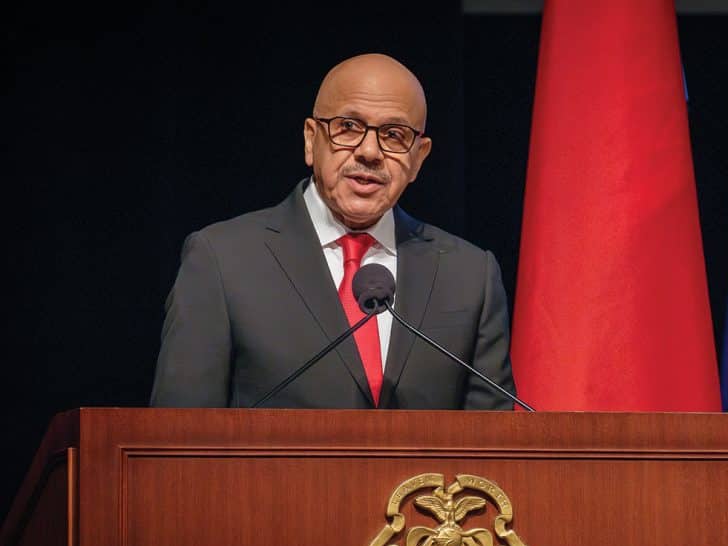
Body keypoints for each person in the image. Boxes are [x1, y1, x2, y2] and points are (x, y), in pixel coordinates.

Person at [150, 54, 516, 409]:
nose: (370, 152)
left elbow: (494, 452)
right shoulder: (222, 260)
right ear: (311, 140)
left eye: (393, 135)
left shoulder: (469, 276)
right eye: (349, 127)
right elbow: (175, 441)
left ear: (418, 158)